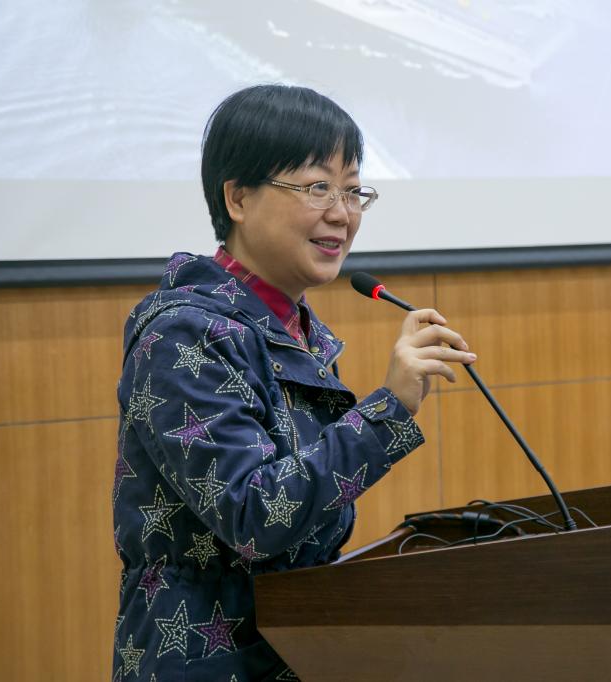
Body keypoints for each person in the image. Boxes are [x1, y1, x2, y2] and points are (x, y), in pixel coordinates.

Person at [111, 85, 476, 681]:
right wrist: (389, 409)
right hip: (207, 659)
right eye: (316, 188)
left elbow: (312, 517)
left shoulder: (294, 331)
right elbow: (255, 517)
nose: (342, 214)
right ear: (238, 198)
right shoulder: (185, 334)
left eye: (353, 190)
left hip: (298, 644)